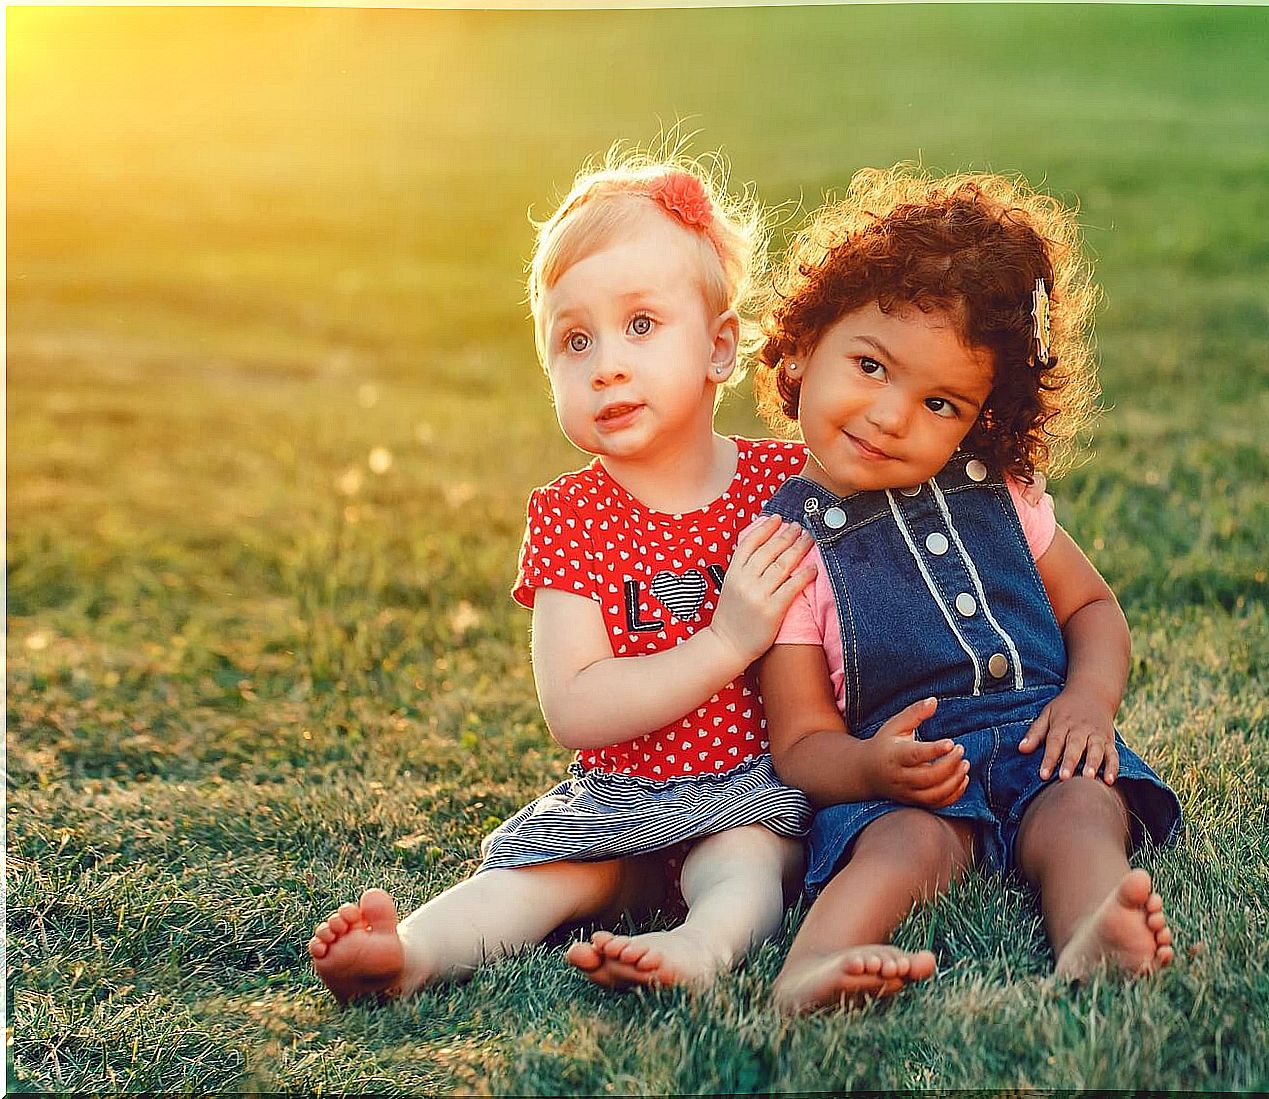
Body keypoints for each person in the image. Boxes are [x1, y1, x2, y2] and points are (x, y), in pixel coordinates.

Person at [308, 152, 818, 1003]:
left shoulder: (787, 485)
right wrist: (728, 639)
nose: (607, 364)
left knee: (746, 871)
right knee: (538, 878)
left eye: (642, 325)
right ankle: (409, 951)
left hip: (747, 791)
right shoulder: (569, 516)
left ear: (720, 346)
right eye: (574, 340)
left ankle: (698, 950)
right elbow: (575, 705)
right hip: (616, 800)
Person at [752, 166, 1185, 1012]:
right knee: (902, 849)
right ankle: (812, 966)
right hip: (909, 777)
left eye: (941, 402)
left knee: (1082, 811)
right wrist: (874, 765)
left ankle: (1095, 931)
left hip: (1037, 743)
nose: (891, 415)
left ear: (984, 414)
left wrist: (1090, 703)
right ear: (803, 343)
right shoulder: (785, 549)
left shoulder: (1004, 497)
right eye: (871, 365)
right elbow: (800, 741)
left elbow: (1093, 609)